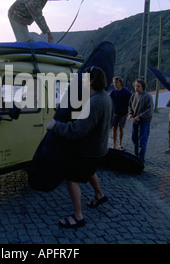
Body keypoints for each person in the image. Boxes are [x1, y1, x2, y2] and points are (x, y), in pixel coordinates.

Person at [46, 66, 112, 228]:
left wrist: (55, 125)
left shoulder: (95, 102)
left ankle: (78, 216)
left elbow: (77, 131)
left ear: (91, 81)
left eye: (84, 79)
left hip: (89, 150)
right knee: (90, 170)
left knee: (71, 178)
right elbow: (93, 122)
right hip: (100, 148)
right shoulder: (105, 97)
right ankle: (99, 195)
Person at [8, 0, 87, 43]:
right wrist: (48, 33)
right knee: (24, 40)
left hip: (23, 17)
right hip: (15, 15)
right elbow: (38, 17)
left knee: (26, 39)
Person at [128, 79, 153, 162]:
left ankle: (141, 157)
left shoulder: (147, 96)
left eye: (138, 86)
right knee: (134, 139)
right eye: (135, 86)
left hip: (144, 121)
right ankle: (136, 155)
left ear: (143, 87)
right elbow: (130, 106)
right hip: (135, 120)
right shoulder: (133, 95)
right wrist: (130, 113)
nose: (136, 88)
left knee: (142, 140)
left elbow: (149, 110)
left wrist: (140, 116)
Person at [109, 76, 131, 151]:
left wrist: (129, 112)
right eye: (114, 82)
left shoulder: (126, 92)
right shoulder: (112, 92)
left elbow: (130, 102)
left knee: (121, 128)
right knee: (114, 129)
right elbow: (109, 102)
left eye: (116, 82)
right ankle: (114, 144)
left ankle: (120, 144)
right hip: (115, 113)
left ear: (120, 83)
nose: (115, 84)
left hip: (123, 113)